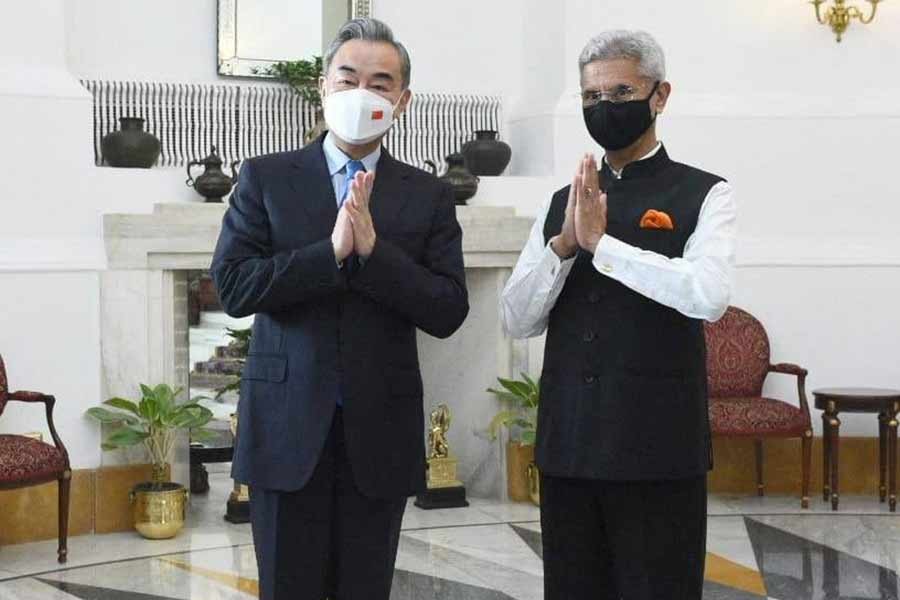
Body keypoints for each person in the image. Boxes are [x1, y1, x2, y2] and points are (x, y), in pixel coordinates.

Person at [211, 18, 469, 600]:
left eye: (381, 83)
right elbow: (233, 287)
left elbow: (449, 309)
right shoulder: (266, 178)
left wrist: (376, 254)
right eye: (349, 77)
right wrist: (326, 255)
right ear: (324, 87)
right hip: (284, 430)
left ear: (402, 102)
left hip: (380, 430)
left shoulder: (428, 194)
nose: (362, 92)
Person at [500, 29, 736, 600]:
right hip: (570, 447)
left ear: (660, 96)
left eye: (619, 92)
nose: (604, 108)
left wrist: (606, 247)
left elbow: (708, 294)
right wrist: (562, 248)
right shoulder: (563, 201)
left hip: (658, 448)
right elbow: (517, 318)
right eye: (591, 98)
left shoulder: (706, 193)